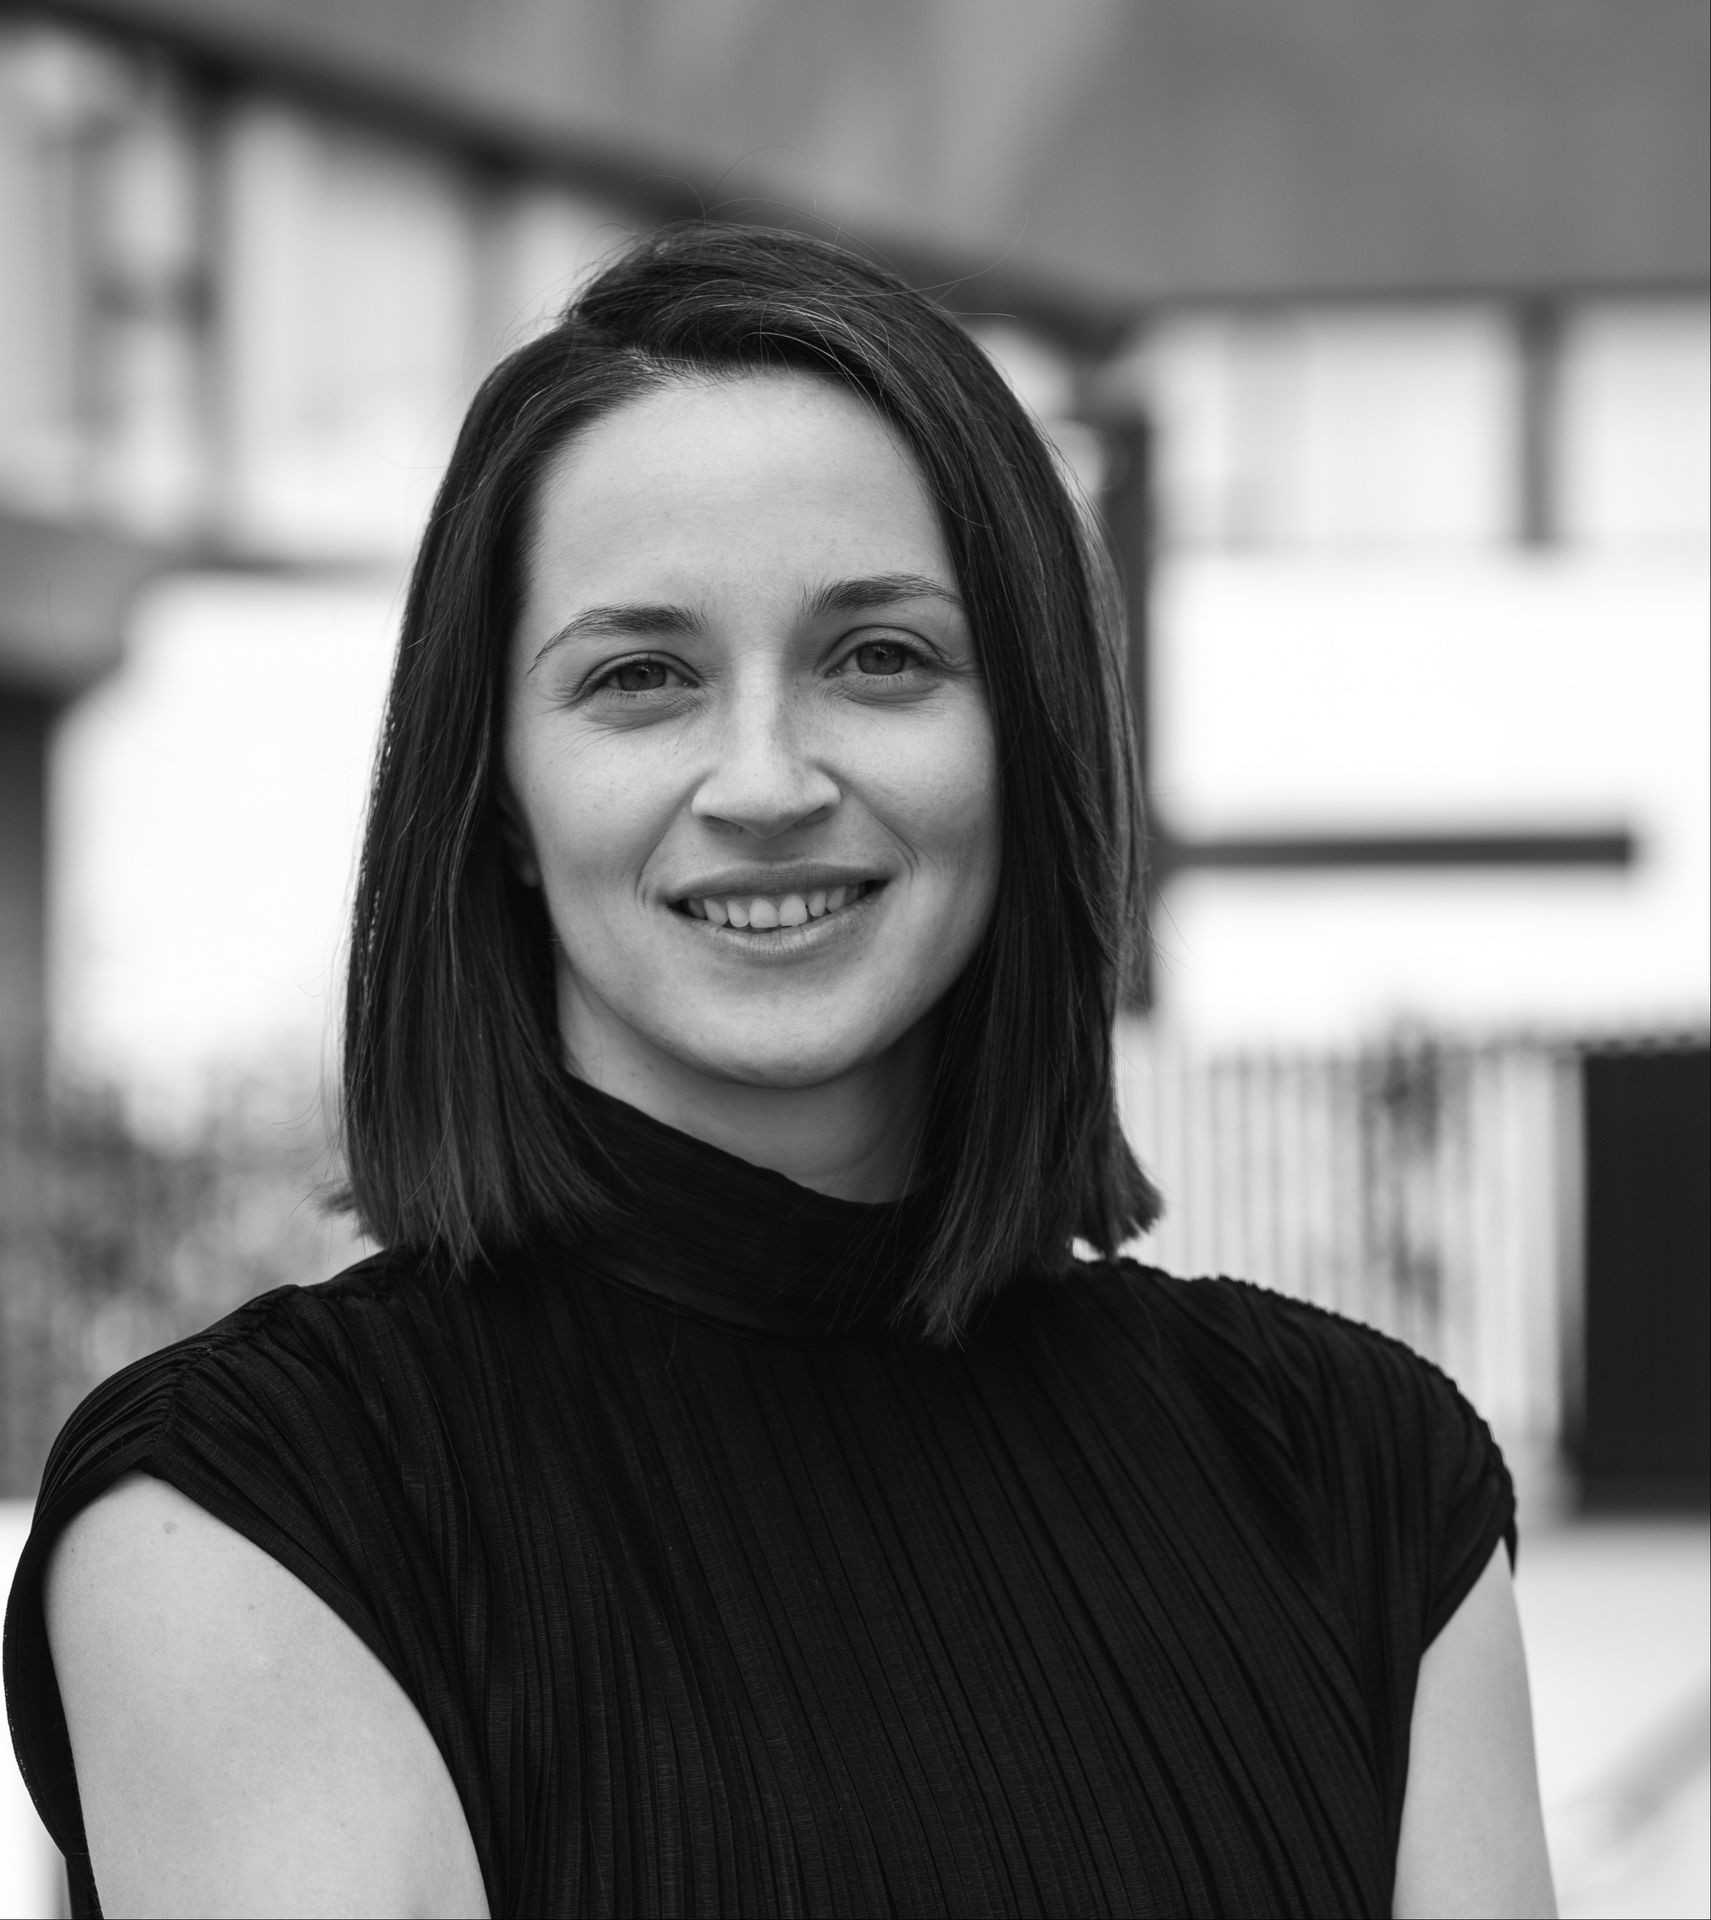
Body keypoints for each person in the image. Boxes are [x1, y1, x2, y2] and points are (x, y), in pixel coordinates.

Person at [4, 222, 1556, 1919]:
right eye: (641, 678)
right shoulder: (255, 1508)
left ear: (1024, 740)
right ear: (500, 803)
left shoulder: (1361, 1479)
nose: (763, 778)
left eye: (878, 655)